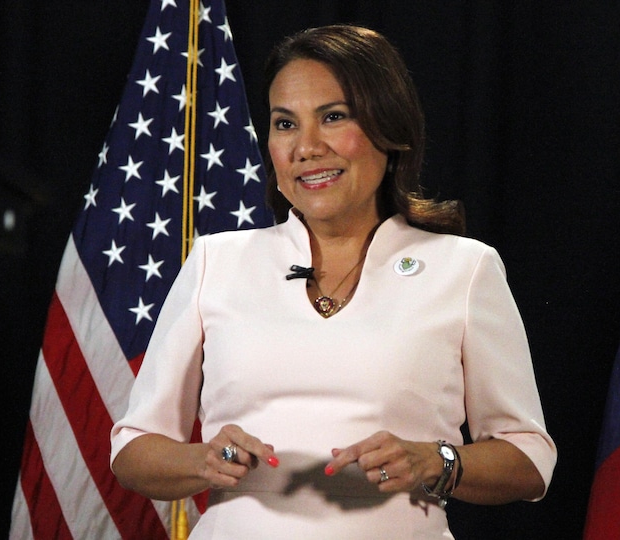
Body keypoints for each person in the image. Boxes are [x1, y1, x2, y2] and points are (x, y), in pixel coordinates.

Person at [110, 24, 556, 539]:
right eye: (285, 123)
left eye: (334, 117)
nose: (306, 147)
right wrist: (204, 459)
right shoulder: (217, 261)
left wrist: (439, 461)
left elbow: (529, 458)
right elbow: (134, 450)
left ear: (388, 129)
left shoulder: (463, 268)